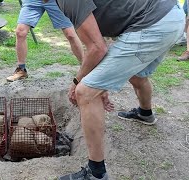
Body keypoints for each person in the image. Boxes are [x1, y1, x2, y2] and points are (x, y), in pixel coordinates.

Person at [51, 0, 184, 179]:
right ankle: (145, 113)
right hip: (172, 17)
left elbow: (97, 48)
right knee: (135, 74)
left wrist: (77, 81)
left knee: (85, 92)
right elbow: (98, 38)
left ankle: (96, 173)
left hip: (153, 23)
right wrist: (101, 80)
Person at [6, 0, 83, 82]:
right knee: (20, 32)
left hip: (56, 1)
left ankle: (86, 68)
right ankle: (21, 70)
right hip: (32, 1)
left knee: (70, 34)